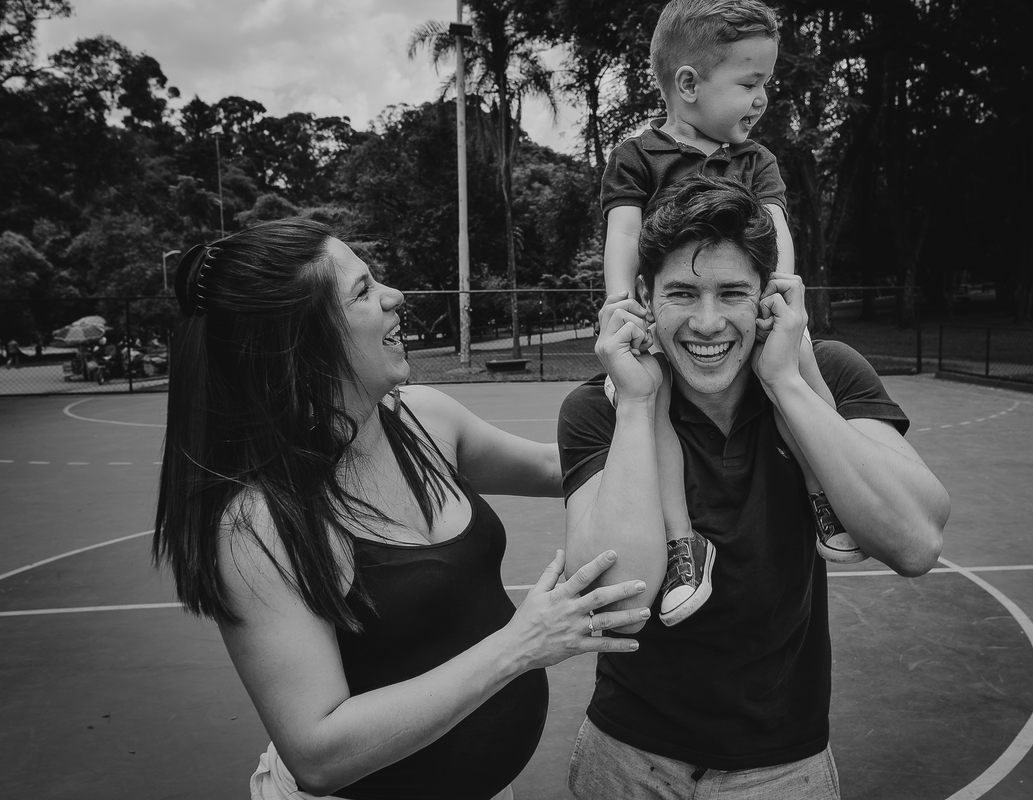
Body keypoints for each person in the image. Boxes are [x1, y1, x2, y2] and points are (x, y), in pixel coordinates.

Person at [152, 218, 650, 800]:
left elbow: (557, 468)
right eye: (363, 291)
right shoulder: (260, 524)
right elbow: (318, 753)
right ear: (301, 342)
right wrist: (521, 645)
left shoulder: (422, 418)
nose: (395, 297)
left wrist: (639, 392)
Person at [559, 174, 950, 799]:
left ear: (767, 297)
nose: (707, 323)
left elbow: (916, 540)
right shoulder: (600, 407)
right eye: (682, 293)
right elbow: (617, 599)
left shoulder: (832, 373)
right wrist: (637, 407)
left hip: (782, 764)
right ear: (642, 297)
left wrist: (789, 385)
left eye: (732, 293)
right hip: (628, 756)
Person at [599, 0, 855, 628]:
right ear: (687, 85)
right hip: (669, 325)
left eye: (765, 80)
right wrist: (618, 303)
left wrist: (779, 294)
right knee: (648, 399)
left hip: (747, 312)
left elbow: (775, 229)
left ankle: (828, 497)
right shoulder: (638, 156)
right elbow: (624, 235)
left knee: (792, 368)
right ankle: (684, 544)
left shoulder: (755, 161)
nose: (763, 96)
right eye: (749, 82)